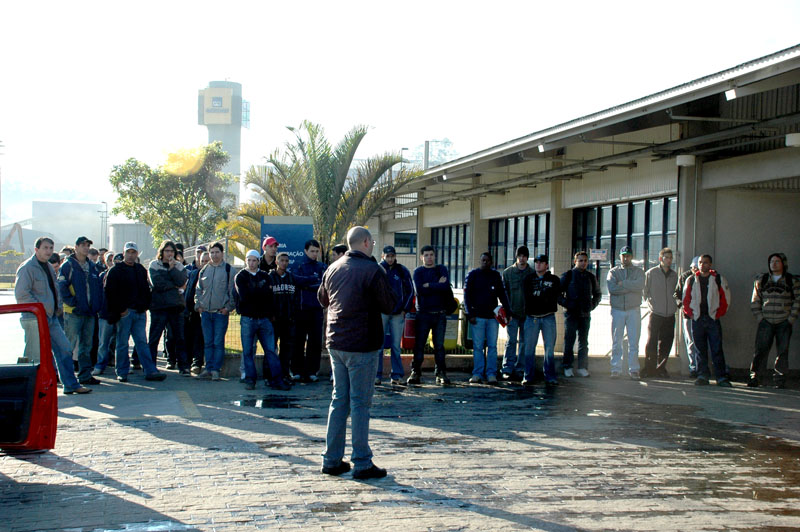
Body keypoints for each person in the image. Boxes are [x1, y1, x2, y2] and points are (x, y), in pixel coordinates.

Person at [318, 226, 396, 480]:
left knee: (339, 400)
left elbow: (323, 299)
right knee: (360, 402)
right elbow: (389, 304)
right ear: (364, 242)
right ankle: (361, 462)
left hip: (336, 341)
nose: (373, 245)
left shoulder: (333, 267)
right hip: (361, 344)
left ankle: (331, 459)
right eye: (372, 242)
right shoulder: (373, 270)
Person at [15, 237, 91, 394]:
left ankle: (70, 384)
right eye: (45, 248)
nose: (49, 251)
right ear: (36, 250)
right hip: (34, 319)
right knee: (34, 356)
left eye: (51, 248)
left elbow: (55, 289)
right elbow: (21, 295)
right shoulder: (27, 268)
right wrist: (40, 309)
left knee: (64, 349)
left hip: (51, 318)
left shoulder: (49, 267)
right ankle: (27, 391)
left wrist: (57, 307)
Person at [104, 242, 166, 382]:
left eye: (133, 252)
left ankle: (150, 370)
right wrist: (121, 310)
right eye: (128, 252)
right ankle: (122, 371)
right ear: (124, 253)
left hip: (139, 313)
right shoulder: (115, 270)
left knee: (142, 342)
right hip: (124, 313)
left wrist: (144, 306)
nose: (131, 255)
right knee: (122, 343)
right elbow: (110, 292)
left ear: (137, 254)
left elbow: (146, 290)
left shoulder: (140, 270)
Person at [235, 250, 290, 391]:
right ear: (246, 261)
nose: (252, 263)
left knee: (271, 350)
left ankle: (277, 379)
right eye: (249, 260)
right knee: (248, 351)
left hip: (264, 320)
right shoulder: (240, 276)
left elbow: (269, 296)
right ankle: (250, 379)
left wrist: (257, 291)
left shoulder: (264, 275)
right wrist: (260, 291)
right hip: (248, 319)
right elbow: (244, 296)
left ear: (258, 261)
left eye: (254, 260)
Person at [748, 252, 799, 388]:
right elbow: (755, 300)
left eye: (777, 261)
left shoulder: (791, 280)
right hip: (766, 321)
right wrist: (759, 317)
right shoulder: (762, 280)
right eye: (771, 262)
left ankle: (780, 380)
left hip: (784, 321)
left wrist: (791, 318)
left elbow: (797, 300)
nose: (774, 264)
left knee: (782, 351)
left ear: (783, 264)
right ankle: (755, 378)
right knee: (760, 350)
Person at [57, 236, 103, 386]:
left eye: (88, 245)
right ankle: (66, 378)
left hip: (90, 313)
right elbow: (62, 287)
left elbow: (98, 289)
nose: (86, 247)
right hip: (74, 313)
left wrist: (97, 305)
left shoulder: (93, 266)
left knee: (86, 346)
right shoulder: (68, 266)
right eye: (82, 245)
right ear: (76, 247)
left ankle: (85, 376)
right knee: (69, 346)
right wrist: (73, 303)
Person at [682, 254, 732, 387]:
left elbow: (725, 298)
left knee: (716, 348)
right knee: (699, 349)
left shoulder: (718, 279)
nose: (702, 265)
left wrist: (717, 314)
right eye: (700, 262)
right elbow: (685, 300)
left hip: (712, 319)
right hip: (697, 319)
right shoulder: (691, 280)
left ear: (710, 265)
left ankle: (721, 377)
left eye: (705, 262)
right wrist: (691, 314)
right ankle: (702, 375)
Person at [464, 252, 510, 385]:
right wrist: (470, 314)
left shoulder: (495, 275)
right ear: (480, 261)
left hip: (492, 318)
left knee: (492, 346)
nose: (485, 262)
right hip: (477, 317)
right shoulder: (473, 275)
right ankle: (477, 373)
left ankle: (491, 374)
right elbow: (467, 296)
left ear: (491, 262)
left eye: (487, 260)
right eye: (483, 260)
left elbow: (502, 293)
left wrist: (508, 311)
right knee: (478, 346)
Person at [408, 245, 452, 385]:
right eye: (426, 255)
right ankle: (416, 372)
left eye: (431, 254)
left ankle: (441, 373)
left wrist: (429, 285)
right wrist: (436, 285)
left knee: (439, 346)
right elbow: (420, 291)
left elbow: (445, 287)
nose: (429, 257)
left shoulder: (441, 269)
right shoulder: (418, 272)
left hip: (439, 314)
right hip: (423, 314)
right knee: (419, 345)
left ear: (435, 256)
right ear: (421, 257)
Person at [147, 240, 190, 376]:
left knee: (179, 338)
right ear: (162, 252)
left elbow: (181, 281)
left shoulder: (179, 266)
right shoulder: (154, 265)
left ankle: (183, 366)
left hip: (175, 307)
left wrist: (172, 269)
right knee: (154, 337)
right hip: (159, 307)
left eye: (172, 251)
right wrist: (174, 287)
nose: (169, 254)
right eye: (167, 251)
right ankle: (150, 366)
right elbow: (158, 284)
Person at [194, 241, 235, 381]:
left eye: (217, 252)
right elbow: (198, 290)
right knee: (208, 342)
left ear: (222, 253)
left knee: (218, 342)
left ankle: (216, 370)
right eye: (212, 252)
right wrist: (198, 305)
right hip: (205, 312)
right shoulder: (204, 270)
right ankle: (208, 368)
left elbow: (232, 292)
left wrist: (228, 308)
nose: (214, 255)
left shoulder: (229, 270)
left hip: (220, 313)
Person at [558, 251, 602, 377]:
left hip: (585, 314)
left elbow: (598, 293)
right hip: (571, 314)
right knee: (569, 340)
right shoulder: (568, 275)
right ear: (575, 261)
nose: (583, 263)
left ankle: (582, 367)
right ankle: (567, 366)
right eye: (580, 260)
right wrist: (567, 304)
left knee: (584, 342)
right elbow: (557, 294)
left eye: (585, 261)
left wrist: (592, 305)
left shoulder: (590, 277)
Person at [521, 254, 561, 386]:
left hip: (548, 317)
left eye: (541, 262)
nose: (538, 264)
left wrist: (542, 296)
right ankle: (528, 376)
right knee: (529, 348)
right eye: (536, 262)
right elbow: (528, 297)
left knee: (549, 348)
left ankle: (550, 376)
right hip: (531, 318)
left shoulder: (554, 279)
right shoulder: (528, 279)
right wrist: (542, 296)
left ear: (546, 265)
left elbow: (554, 296)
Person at [377, 245, 413, 385]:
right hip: (382, 313)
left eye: (392, 256)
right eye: (388, 256)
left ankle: (396, 375)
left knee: (396, 346)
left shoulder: (402, 270)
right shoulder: (378, 270)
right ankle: (377, 375)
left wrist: (405, 309)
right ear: (383, 256)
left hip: (398, 313)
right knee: (379, 346)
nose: (390, 259)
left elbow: (410, 290)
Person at [607, 246, 645, 379]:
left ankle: (634, 369)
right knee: (617, 340)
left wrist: (623, 283)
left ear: (632, 256)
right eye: (624, 255)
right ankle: (615, 368)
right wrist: (630, 287)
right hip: (617, 310)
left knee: (633, 341)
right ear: (620, 256)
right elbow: (612, 288)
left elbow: (640, 285)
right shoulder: (613, 272)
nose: (626, 257)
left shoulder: (639, 271)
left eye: (628, 255)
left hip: (633, 309)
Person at [292, 239, 327, 382]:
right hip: (301, 309)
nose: (314, 254)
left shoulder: (322, 266)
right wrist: (311, 280)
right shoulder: (298, 265)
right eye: (312, 251)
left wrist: (307, 283)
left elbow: (323, 283)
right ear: (306, 251)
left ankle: (312, 371)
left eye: (317, 251)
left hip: (316, 310)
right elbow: (296, 280)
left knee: (315, 342)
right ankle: (296, 371)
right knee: (298, 341)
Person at [642, 248, 679, 379]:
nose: (669, 260)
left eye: (670, 258)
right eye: (666, 257)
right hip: (656, 313)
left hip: (670, 314)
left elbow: (677, 293)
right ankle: (649, 368)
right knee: (652, 341)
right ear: (660, 259)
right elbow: (644, 292)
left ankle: (661, 368)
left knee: (666, 342)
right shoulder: (651, 273)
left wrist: (675, 306)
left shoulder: (675, 275)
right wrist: (652, 305)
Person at [501, 245, 534, 381]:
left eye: (524, 256)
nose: (522, 259)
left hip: (527, 314)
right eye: (520, 256)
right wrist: (507, 312)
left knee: (525, 342)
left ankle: (520, 368)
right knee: (511, 341)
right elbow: (504, 294)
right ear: (516, 257)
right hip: (512, 314)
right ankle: (507, 368)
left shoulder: (532, 273)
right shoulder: (508, 273)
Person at [269, 252, 299, 382]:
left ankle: (285, 374)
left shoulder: (291, 278)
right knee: (271, 348)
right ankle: (270, 375)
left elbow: (296, 298)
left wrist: (293, 315)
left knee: (287, 349)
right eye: (281, 260)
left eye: (286, 261)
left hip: (289, 320)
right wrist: (270, 315)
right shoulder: (270, 277)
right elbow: (266, 298)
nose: (284, 263)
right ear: (276, 262)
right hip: (274, 320)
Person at [675, 256, 701, 377]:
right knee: (690, 341)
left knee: (701, 341)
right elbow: (677, 294)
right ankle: (693, 367)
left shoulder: (707, 277)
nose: (696, 270)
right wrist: (682, 307)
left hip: (702, 314)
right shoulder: (685, 277)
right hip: (688, 313)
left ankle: (702, 366)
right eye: (694, 267)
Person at [185, 251, 210, 374]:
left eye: (207, 261)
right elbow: (189, 293)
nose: (205, 264)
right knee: (192, 337)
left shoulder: (214, 274)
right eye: (203, 261)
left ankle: (199, 362)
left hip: (208, 311)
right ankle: (191, 363)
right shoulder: (194, 274)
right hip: (194, 312)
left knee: (203, 338)